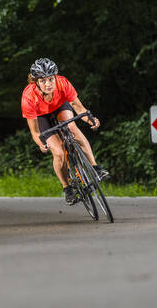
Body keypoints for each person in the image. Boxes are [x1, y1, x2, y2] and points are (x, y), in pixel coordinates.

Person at [21, 58, 109, 205]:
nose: (48, 84)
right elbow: (35, 131)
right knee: (58, 152)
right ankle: (67, 188)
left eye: (50, 79)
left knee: (72, 127)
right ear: (36, 82)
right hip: (41, 116)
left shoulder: (62, 83)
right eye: (43, 81)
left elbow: (78, 107)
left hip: (60, 106)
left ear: (55, 77)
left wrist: (89, 119)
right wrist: (40, 143)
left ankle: (95, 167)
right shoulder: (28, 97)